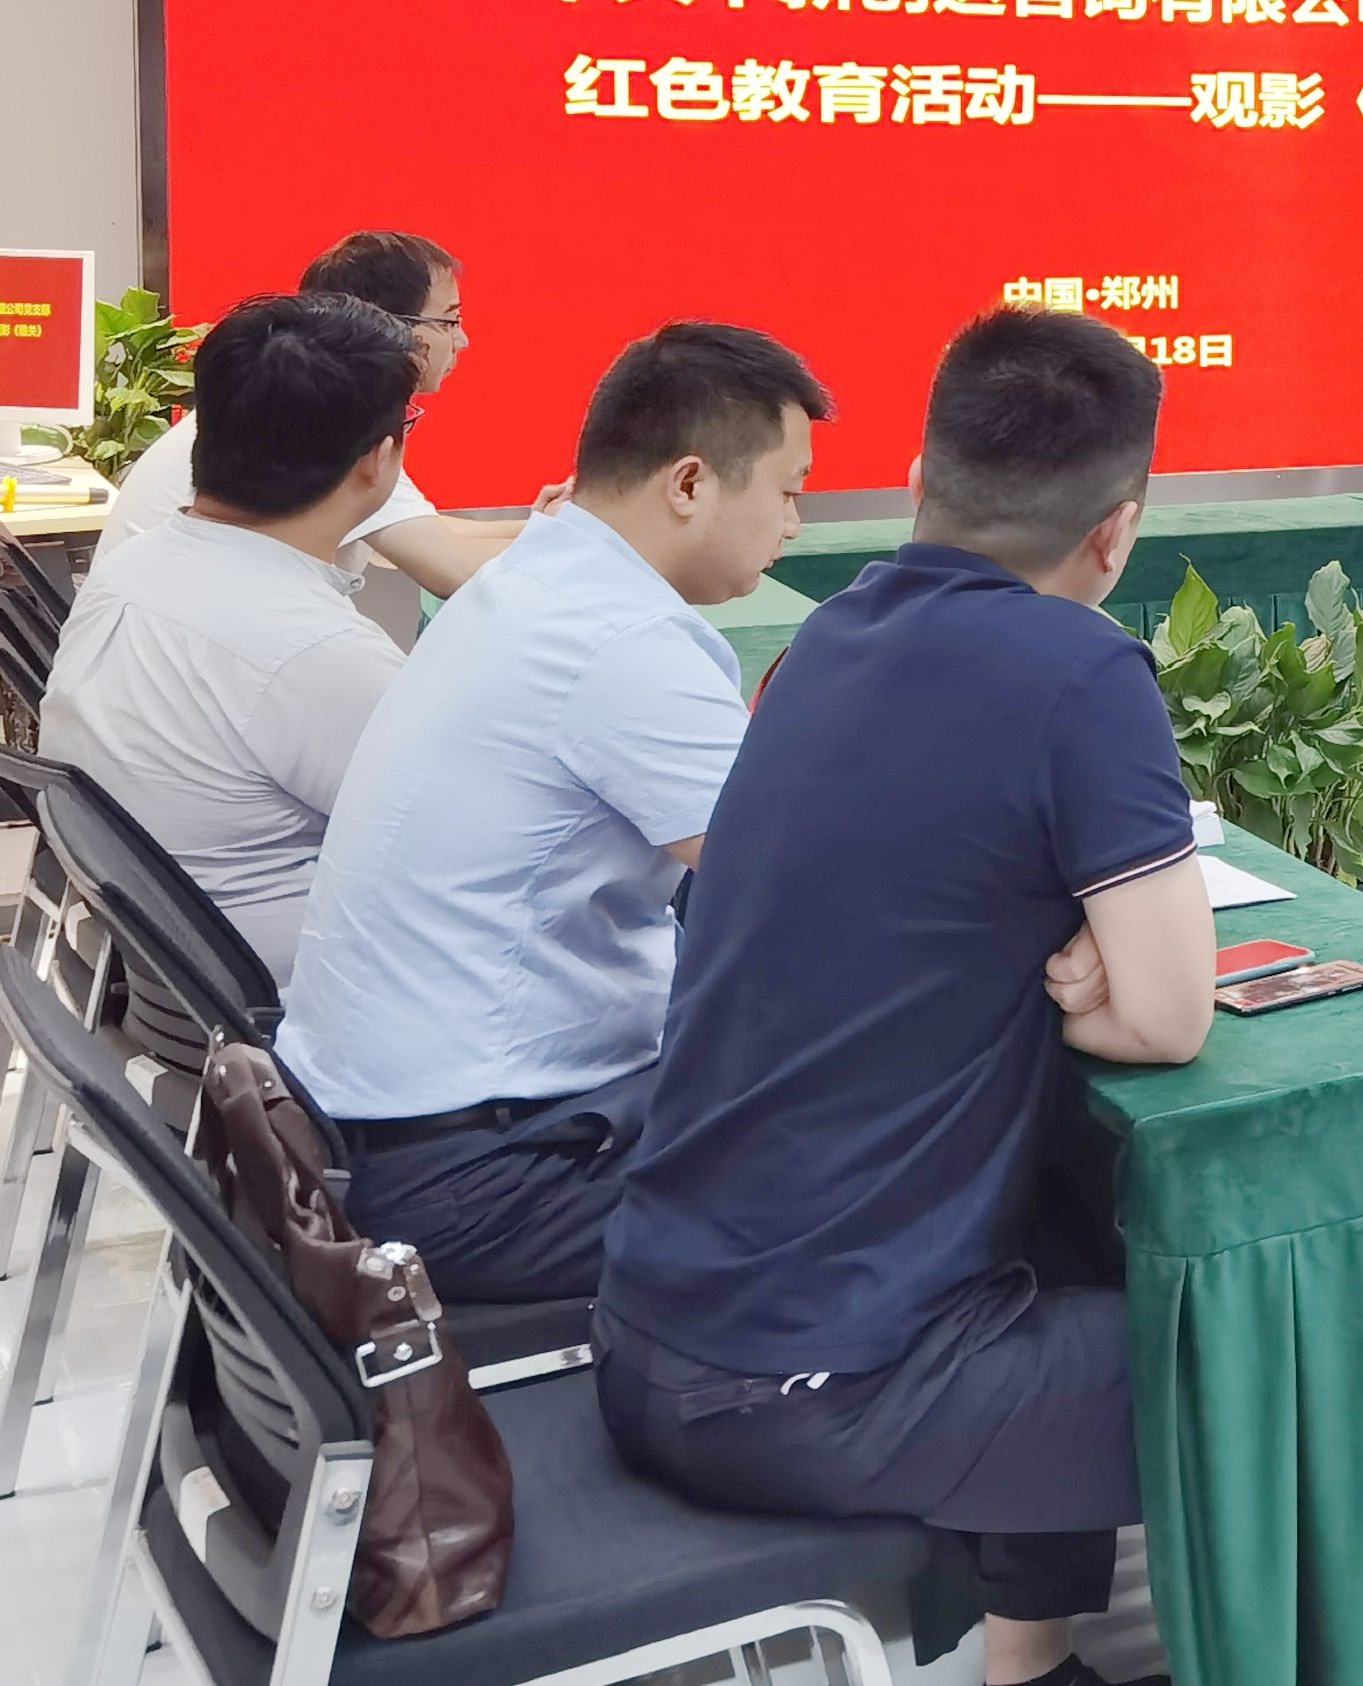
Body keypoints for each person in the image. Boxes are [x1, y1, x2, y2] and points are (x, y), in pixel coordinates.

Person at [596, 309, 1206, 1686]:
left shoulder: (820, 645)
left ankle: (1028, 1664)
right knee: (1306, 1340)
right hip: (821, 1391)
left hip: (649, 1329)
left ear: (921, 482)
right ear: (1116, 533)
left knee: (1061, 1235)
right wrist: (1078, 984)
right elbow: (1169, 1018)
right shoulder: (1082, 669)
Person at [277, 322, 829, 1302]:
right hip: (484, 1177)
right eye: (788, 490)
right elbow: (817, 885)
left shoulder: (534, 582)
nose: (794, 521)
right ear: (690, 483)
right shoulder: (620, 638)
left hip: (388, 1126)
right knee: (881, 1183)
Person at [37, 296, 419, 984]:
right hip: (301, 1002)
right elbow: (467, 848)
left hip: (142, 973)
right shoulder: (318, 653)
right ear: (378, 460)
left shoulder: (130, 569)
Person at [103, 230, 535, 602]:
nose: (463, 341)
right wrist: (568, 540)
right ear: (387, 325)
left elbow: (418, 531)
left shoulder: (278, 401)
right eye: (449, 321)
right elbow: (454, 571)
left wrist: (544, 524)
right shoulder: (320, 420)